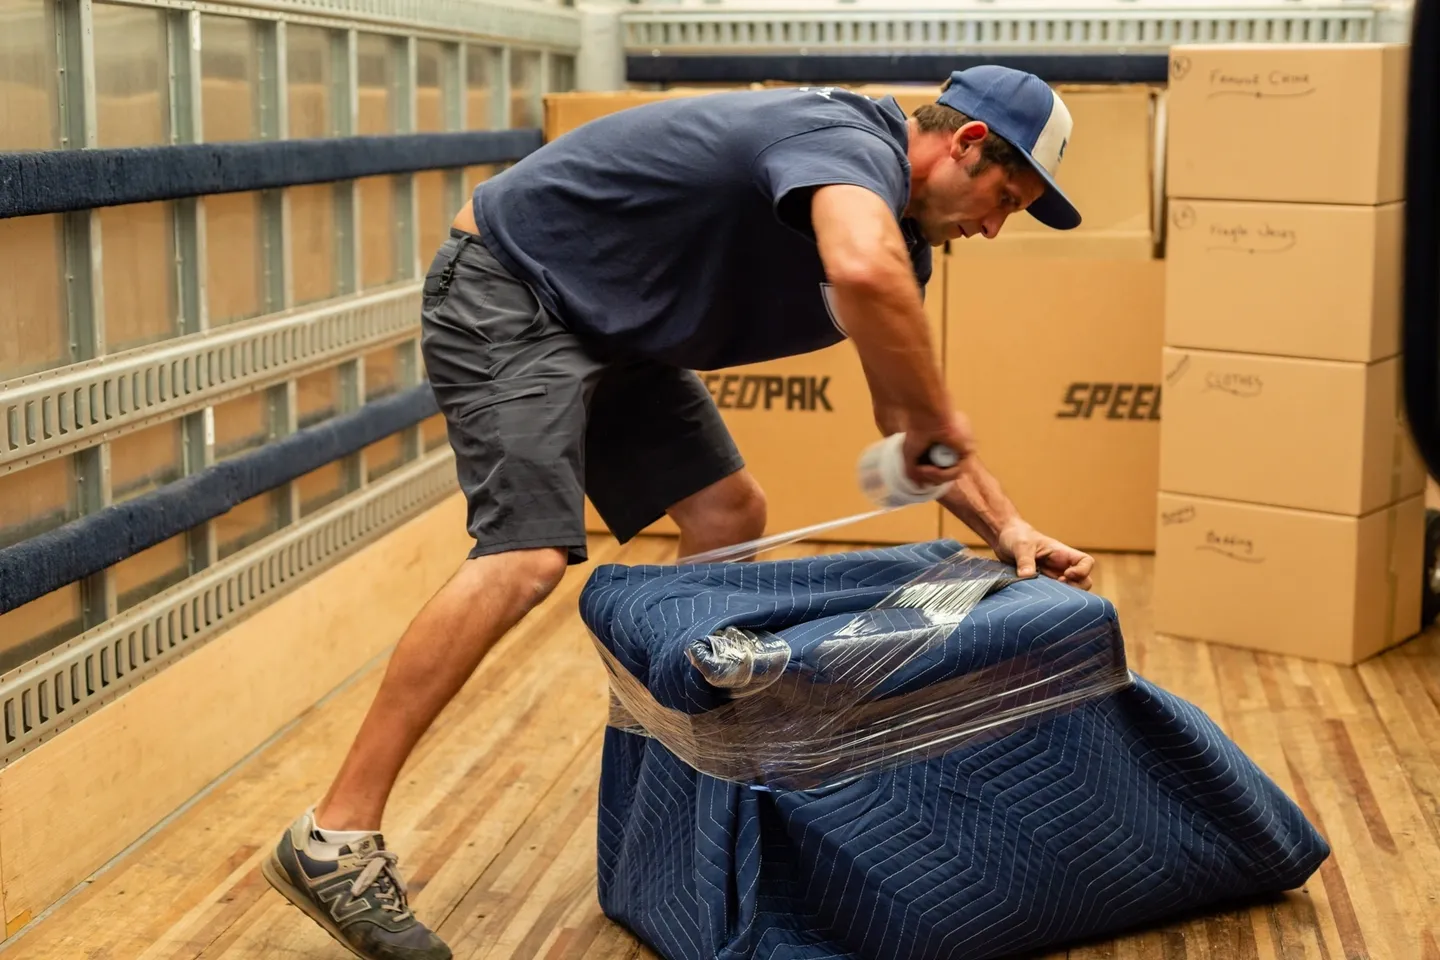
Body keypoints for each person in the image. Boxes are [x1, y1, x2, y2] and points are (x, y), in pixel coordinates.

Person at [261, 64, 1098, 959]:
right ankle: (333, 839)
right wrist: (937, 416)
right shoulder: (845, 144)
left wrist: (1007, 526)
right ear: (966, 142)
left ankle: (684, 774)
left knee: (729, 513)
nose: (995, 226)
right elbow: (862, 269)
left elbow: (906, 434)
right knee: (527, 559)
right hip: (513, 288)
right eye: (1004, 196)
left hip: (612, 331)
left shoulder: (900, 244)